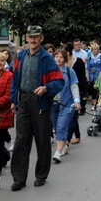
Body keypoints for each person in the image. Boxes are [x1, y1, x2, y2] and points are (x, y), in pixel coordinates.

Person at [10, 26, 64, 190]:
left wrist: (46, 88)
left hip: (40, 102)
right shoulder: (21, 56)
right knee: (21, 140)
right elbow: (15, 80)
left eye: (36, 37)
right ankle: (19, 178)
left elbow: (59, 82)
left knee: (42, 141)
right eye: (30, 37)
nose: (32, 40)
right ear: (26, 38)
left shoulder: (47, 59)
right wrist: (14, 100)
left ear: (41, 38)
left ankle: (41, 175)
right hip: (23, 100)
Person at [51, 48, 80, 163]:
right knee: (56, 127)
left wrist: (77, 101)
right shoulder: (49, 72)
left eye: (61, 57)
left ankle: (57, 153)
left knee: (61, 127)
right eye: (56, 56)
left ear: (65, 59)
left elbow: (74, 87)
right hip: (53, 105)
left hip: (67, 104)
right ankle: (63, 146)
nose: (58, 59)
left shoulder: (69, 72)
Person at [64, 43, 85, 145]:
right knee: (73, 115)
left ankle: (67, 139)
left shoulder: (78, 61)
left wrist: (84, 93)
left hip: (76, 91)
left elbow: (82, 77)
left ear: (67, 53)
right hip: (65, 93)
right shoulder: (62, 63)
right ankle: (77, 135)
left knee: (73, 115)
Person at [86, 43, 101, 110]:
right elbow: (88, 68)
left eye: (96, 49)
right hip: (92, 75)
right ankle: (94, 104)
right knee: (93, 90)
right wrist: (87, 76)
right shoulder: (90, 57)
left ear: (98, 50)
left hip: (99, 74)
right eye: (93, 50)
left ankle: (100, 104)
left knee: (100, 90)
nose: (94, 51)